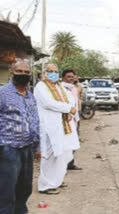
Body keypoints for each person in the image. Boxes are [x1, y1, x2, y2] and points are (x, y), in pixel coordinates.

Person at [0, 59, 40, 214]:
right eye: (19, 72)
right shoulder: (3, 94)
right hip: (8, 149)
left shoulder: (30, 96)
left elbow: (35, 121)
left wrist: (38, 146)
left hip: (27, 149)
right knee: (6, 191)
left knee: (24, 189)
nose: (23, 75)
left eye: (26, 72)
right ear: (12, 73)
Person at [34, 64, 80, 194]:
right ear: (44, 73)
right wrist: (67, 108)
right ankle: (45, 185)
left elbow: (70, 98)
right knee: (49, 155)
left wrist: (70, 108)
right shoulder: (41, 86)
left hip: (63, 125)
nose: (53, 74)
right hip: (49, 127)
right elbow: (48, 103)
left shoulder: (59, 86)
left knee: (63, 155)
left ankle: (56, 180)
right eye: (50, 71)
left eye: (55, 71)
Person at [61, 69, 82, 170]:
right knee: (66, 142)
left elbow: (76, 103)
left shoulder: (74, 88)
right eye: (68, 77)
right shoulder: (60, 88)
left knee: (74, 141)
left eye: (72, 76)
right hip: (66, 119)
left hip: (75, 117)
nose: (71, 78)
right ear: (63, 78)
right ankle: (63, 165)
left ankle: (70, 163)